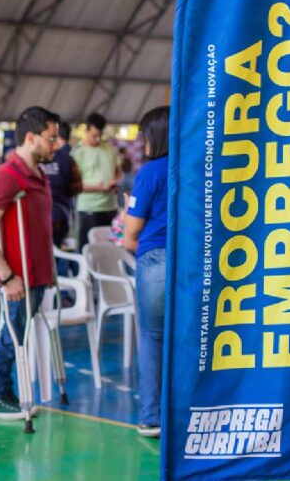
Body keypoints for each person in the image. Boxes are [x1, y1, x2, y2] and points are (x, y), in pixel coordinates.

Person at [0, 106, 58, 419]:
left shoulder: (37, 174)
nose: (56, 144)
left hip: (38, 274)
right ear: (31, 138)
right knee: (12, 337)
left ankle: (2, 392)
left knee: (18, 335)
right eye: (51, 138)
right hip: (18, 277)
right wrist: (7, 277)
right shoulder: (6, 179)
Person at [122, 106, 169, 438]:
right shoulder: (196, 166)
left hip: (155, 261)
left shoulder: (150, 172)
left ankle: (151, 416)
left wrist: (129, 208)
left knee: (152, 337)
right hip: (191, 262)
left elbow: (133, 227)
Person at [71, 112, 121, 250]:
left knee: (110, 250)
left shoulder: (109, 148)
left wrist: (115, 181)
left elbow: (118, 171)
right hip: (89, 208)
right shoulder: (78, 152)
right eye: (94, 135)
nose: (98, 139)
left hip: (110, 207)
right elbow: (74, 184)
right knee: (87, 249)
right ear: (86, 131)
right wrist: (97, 188)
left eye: (100, 135)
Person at [39, 121, 82, 250]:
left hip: (37, 216)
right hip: (60, 214)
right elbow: (77, 187)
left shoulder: (36, 157)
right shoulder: (69, 158)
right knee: (57, 250)